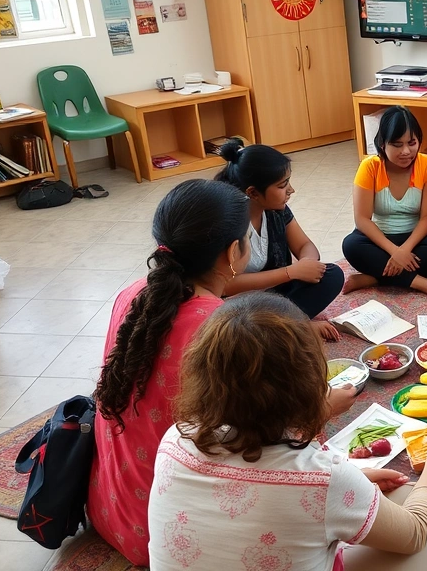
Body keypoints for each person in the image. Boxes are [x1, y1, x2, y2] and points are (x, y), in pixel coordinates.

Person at [148, 292, 427, 571]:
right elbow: (414, 533)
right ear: (309, 380)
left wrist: (345, 487)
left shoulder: (176, 437)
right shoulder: (322, 477)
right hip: (331, 492)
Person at [89, 179, 251, 566]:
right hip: (176, 536)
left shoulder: (133, 294)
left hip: (113, 511)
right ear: (232, 252)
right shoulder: (221, 326)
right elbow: (254, 430)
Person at [216, 140, 343, 340]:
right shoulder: (228, 223)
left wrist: (306, 263)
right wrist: (290, 272)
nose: (291, 190)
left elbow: (304, 245)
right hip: (238, 305)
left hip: (276, 295)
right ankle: (293, 325)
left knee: (332, 275)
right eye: (283, 185)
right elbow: (224, 284)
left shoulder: (276, 210)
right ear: (253, 192)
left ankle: (281, 325)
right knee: (237, 325)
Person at [342, 106, 427, 301]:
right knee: (351, 245)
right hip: (379, 240)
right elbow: (362, 219)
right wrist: (395, 252)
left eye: (412, 143)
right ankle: (421, 283)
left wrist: (405, 250)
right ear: (383, 144)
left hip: (413, 240)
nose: (406, 151)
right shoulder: (370, 167)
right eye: (397, 144)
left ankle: (373, 278)